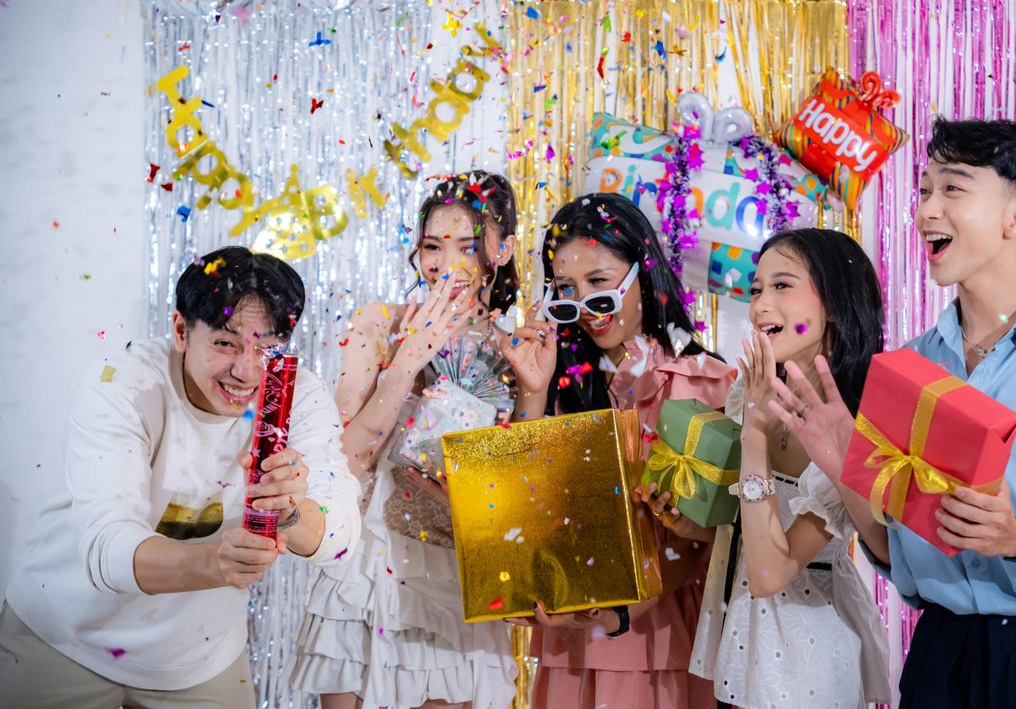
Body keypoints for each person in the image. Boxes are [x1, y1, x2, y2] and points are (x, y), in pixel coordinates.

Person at [771, 118, 1016, 709]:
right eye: (924, 190)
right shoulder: (907, 366)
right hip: (941, 656)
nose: (928, 209)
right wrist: (843, 466)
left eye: (952, 189)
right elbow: (896, 556)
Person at [0, 246, 362, 709]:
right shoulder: (121, 385)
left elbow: (341, 535)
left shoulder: (300, 398)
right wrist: (218, 565)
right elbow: (106, 548)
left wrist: (291, 512)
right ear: (180, 331)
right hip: (61, 638)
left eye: (266, 347)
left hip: (199, 658)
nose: (246, 370)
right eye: (226, 343)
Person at [291, 171, 520, 709]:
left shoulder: (519, 349)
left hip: (456, 575)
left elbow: (517, 494)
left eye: (468, 245)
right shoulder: (378, 323)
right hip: (370, 564)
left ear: (503, 250)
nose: (447, 263)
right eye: (433, 247)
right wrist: (408, 360)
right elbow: (344, 460)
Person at [501, 193, 736, 709]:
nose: (585, 307)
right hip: (573, 634)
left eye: (600, 285)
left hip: (665, 637)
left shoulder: (705, 383)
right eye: (566, 290)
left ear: (641, 275)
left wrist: (621, 613)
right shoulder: (556, 379)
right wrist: (533, 393)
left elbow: (716, 538)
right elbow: (514, 509)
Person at [639, 228, 891, 709]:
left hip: (808, 650)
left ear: (834, 305)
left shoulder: (854, 428)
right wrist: (692, 525)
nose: (759, 305)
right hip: (743, 635)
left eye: (782, 285)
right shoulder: (749, 392)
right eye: (756, 289)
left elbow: (772, 571)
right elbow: (748, 536)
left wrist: (754, 435)